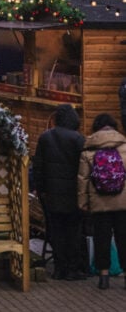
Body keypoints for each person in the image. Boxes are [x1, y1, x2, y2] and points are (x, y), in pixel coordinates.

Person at [33, 104, 86, 281]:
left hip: (52, 193)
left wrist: (40, 189)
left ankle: (58, 267)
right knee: (73, 231)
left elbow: (38, 166)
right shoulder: (78, 139)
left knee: (56, 231)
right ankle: (72, 268)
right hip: (73, 193)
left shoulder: (45, 137)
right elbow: (83, 168)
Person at [78, 112, 126, 289]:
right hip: (123, 203)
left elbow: (83, 179)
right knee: (124, 238)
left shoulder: (89, 150)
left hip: (99, 202)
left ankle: (103, 277)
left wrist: (82, 202)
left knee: (101, 239)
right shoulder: (124, 147)